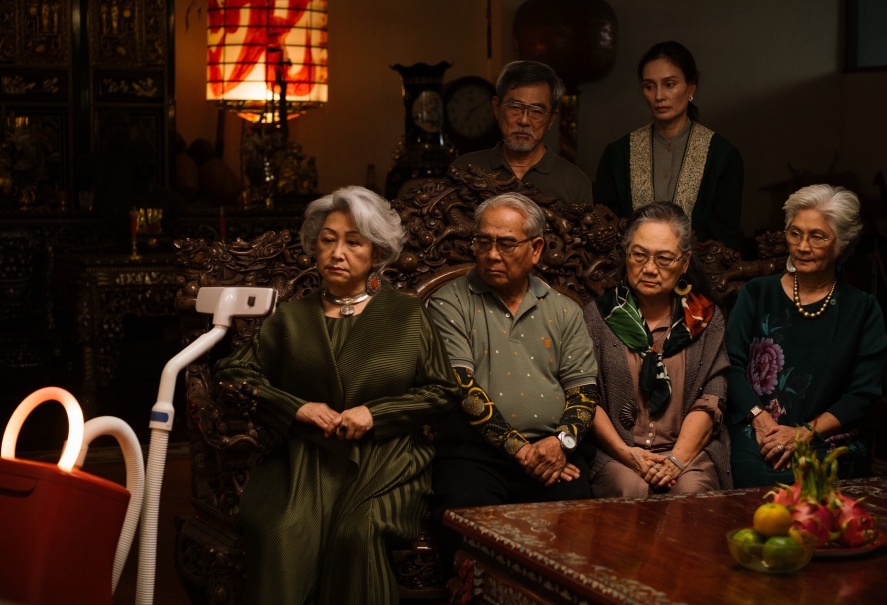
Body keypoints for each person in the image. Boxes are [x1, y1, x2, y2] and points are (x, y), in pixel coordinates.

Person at [213, 186, 460, 605]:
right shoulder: (291, 318)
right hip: (304, 461)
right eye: (328, 240)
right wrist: (297, 409)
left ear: (377, 252)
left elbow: (444, 392)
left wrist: (377, 414)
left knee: (358, 535)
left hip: (387, 458)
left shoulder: (406, 315)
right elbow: (233, 372)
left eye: (353, 242)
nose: (337, 253)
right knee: (282, 531)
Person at [427, 192, 598, 576]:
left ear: (536, 249)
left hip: (554, 454)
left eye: (506, 244)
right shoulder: (449, 303)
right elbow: (462, 389)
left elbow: (584, 392)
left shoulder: (565, 310)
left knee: (573, 534)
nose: (491, 254)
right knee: (466, 526)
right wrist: (521, 450)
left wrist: (561, 443)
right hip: (472, 455)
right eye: (483, 241)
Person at [727, 185, 887, 488]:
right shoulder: (756, 294)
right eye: (795, 233)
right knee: (745, 468)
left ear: (841, 243)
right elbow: (729, 364)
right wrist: (760, 419)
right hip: (757, 428)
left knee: (812, 479)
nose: (802, 246)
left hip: (825, 437)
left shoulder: (862, 310)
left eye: (817, 236)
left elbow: (864, 392)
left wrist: (804, 433)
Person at [583, 202, 732, 497]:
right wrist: (629, 455)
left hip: (689, 454)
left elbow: (711, 400)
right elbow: (586, 398)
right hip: (617, 452)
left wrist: (676, 460)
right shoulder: (597, 317)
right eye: (639, 255)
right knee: (631, 488)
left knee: (690, 490)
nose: (650, 269)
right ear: (626, 254)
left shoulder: (705, 318)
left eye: (664, 259)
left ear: (685, 263)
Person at [594, 41, 743, 248]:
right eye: (649, 86)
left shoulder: (722, 155)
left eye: (669, 84)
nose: (659, 96)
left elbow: (724, 239)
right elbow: (606, 228)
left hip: (697, 267)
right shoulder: (617, 153)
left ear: (691, 87)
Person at [451, 61, 592, 206]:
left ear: (551, 119)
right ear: (496, 107)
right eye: (515, 107)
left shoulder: (575, 184)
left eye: (536, 111)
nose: (524, 120)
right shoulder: (464, 170)